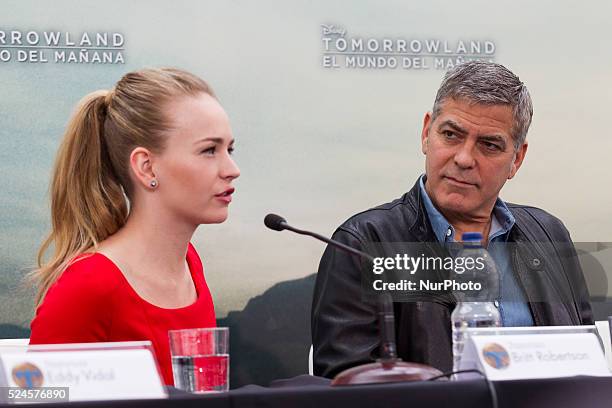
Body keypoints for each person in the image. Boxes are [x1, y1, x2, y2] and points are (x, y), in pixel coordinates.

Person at [311, 61, 593, 378]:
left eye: (489, 145)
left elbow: (588, 360)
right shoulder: (364, 244)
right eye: (451, 134)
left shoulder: (548, 235)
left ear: (517, 159)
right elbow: (349, 383)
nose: (463, 158)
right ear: (425, 133)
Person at [29, 67, 240, 385]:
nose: (232, 169)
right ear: (146, 166)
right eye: (209, 150)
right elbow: (36, 395)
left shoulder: (189, 264)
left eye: (230, 149)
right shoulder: (88, 285)